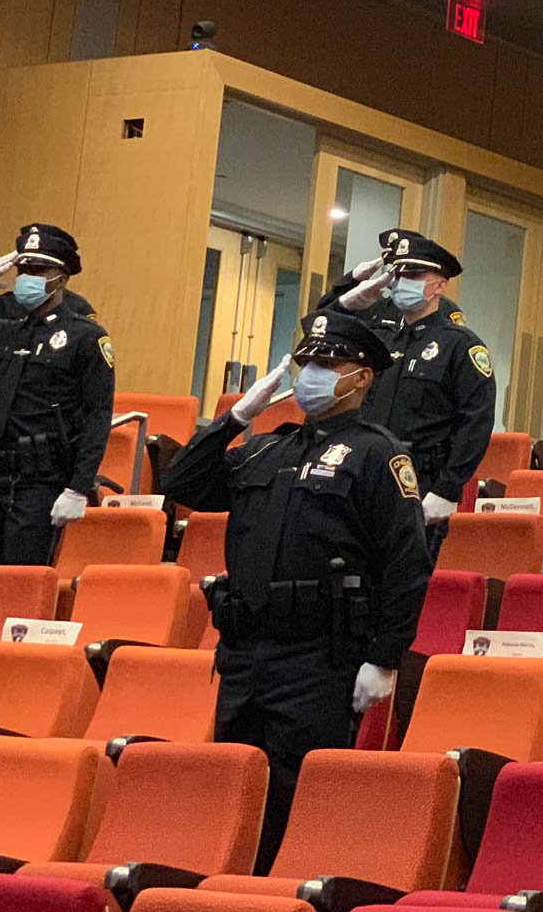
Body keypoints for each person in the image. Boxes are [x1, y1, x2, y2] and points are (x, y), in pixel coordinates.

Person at [161, 311, 431, 871]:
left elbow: (406, 564)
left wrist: (385, 658)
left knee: (298, 797)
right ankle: (234, 897)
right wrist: (237, 418)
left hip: (318, 658)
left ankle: (284, 900)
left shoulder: (378, 454)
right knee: (237, 792)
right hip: (244, 655)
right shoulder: (265, 450)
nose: (310, 375)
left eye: (327, 364)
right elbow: (181, 482)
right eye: (306, 362)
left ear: (361, 376)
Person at [0, 224, 113, 565]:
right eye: (23, 270)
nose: (27, 278)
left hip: (42, 479)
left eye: (38, 271)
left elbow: (98, 415)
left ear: (61, 278)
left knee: (21, 578)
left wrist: (78, 487)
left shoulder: (84, 337)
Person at [327, 234, 495, 558]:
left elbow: (476, 421)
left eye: (415, 275)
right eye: (400, 274)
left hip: (419, 480)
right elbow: (322, 329)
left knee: (402, 580)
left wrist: (447, 489)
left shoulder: (460, 345)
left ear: (439, 286)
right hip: (363, 474)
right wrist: (346, 297)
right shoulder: (379, 341)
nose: (403, 282)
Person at [322, 228, 464, 344]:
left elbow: (446, 344)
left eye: (410, 272)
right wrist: (352, 281)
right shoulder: (378, 304)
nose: (399, 275)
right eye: (393, 265)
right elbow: (322, 324)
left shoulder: (442, 307)